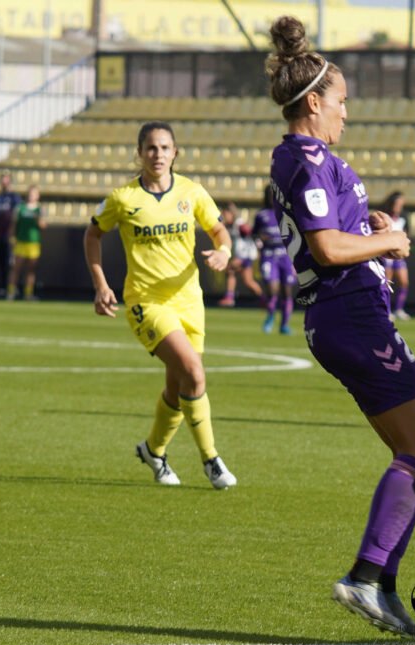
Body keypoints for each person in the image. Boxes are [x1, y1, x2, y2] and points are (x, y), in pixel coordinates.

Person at [266, 15, 415, 640]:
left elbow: (337, 234)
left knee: (414, 453)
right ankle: (367, 578)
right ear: (313, 102)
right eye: (341, 102)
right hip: (350, 312)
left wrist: (367, 228)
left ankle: (383, 588)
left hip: (344, 315)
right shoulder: (305, 158)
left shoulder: (315, 159)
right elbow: (324, 249)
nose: (347, 112)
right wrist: (387, 241)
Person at [83, 121, 238, 490]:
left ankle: (154, 450)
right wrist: (101, 284)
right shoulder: (123, 198)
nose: (158, 155)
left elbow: (219, 231)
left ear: (175, 153)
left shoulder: (191, 192)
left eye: (165, 148)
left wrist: (224, 252)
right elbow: (93, 234)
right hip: (147, 302)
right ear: (140, 153)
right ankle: (211, 460)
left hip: (189, 300)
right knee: (195, 374)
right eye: (151, 148)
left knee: (178, 386)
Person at [253, 185, 296, 334]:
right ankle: (270, 317)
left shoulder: (286, 213)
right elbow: (254, 235)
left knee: (287, 290)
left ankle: (284, 324)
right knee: (272, 290)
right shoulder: (261, 215)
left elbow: (295, 235)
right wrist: (259, 239)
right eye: (269, 195)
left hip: (285, 255)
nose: (272, 198)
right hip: (269, 255)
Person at [218, 202, 263, 307]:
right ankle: (264, 300)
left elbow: (254, 235)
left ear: (231, 213)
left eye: (225, 214)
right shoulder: (231, 225)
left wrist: (260, 248)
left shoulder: (240, 225)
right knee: (248, 282)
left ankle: (229, 298)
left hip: (245, 255)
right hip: (243, 256)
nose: (224, 217)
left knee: (230, 269)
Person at [6, 185, 46, 301]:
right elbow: (13, 225)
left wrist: (37, 219)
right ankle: (11, 292)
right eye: (30, 193)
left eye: (34, 194)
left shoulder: (39, 209)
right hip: (21, 242)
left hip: (33, 243)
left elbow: (43, 226)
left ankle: (28, 293)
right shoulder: (20, 208)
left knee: (31, 269)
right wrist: (12, 238)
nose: (32, 196)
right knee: (16, 268)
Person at [381, 191, 411, 320]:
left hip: (398, 255)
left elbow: (407, 235)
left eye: (401, 204)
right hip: (387, 253)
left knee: (404, 282)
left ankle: (399, 309)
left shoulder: (404, 217)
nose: (399, 206)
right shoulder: (384, 216)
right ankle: (386, 310)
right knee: (387, 282)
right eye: (397, 203)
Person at [0, 172, 22, 296]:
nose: (3, 183)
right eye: (2, 180)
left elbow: (17, 215)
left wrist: (13, 232)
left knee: (11, 262)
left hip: (9, 234)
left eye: (6, 180)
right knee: (1, 262)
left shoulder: (15, 197)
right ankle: (3, 286)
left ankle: (13, 287)